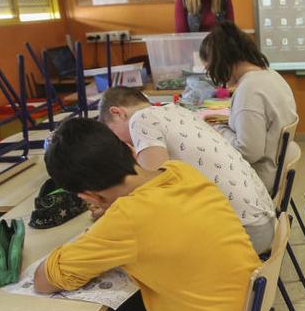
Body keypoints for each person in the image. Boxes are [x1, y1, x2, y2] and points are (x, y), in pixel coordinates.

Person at [33, 118, 261, 311]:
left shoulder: (126, 218)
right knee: (128, 309)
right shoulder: (180, 172)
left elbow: (45, 281)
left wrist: (108, 220)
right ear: (129, 149)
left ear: (89, 197)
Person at [99, 86, 276, 253]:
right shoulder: (177, 110)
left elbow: (152, 192)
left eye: (113, 133)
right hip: (264, 221)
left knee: (148, 246)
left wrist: (110, 203)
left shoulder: (140, 119)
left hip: (244, 234)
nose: (121, 144)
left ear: (117, 112)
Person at [200, 21, 298, 194]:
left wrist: (219, 130)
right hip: (274, 170)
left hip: (256, 180)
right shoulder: (271, 75)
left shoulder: (250, 90)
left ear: (220, 61)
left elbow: (248, 152)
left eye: (209, 68)